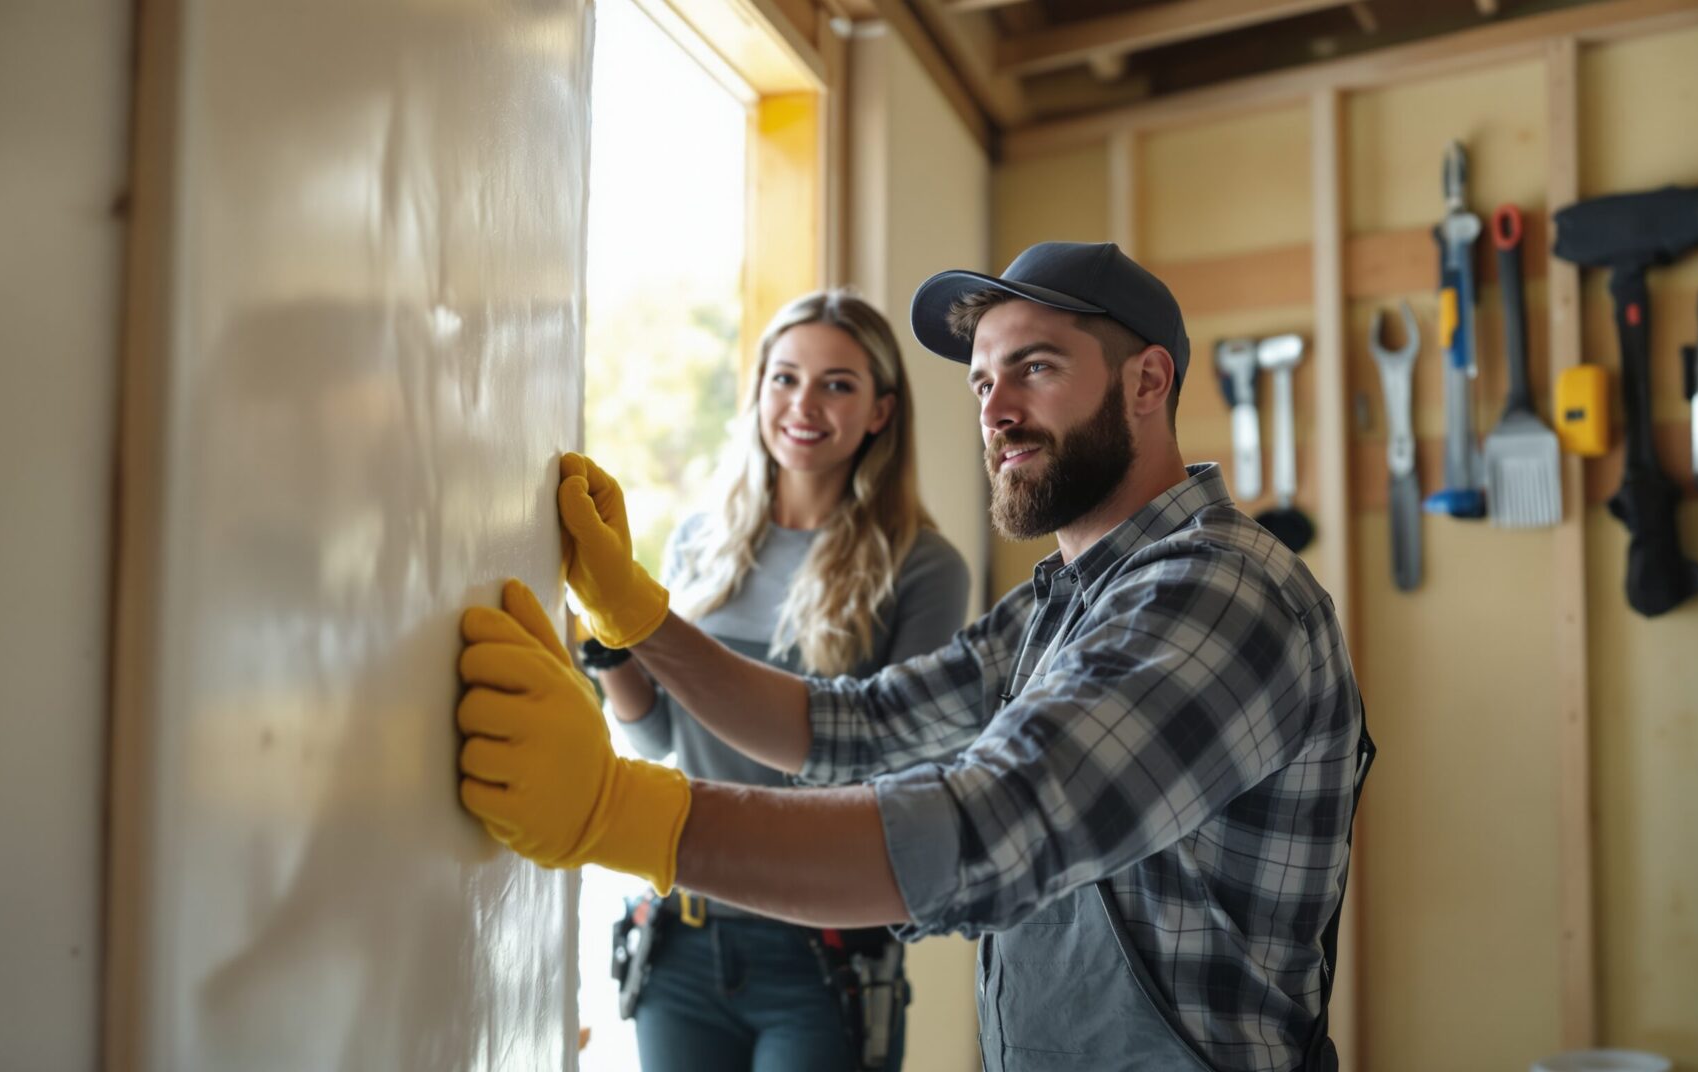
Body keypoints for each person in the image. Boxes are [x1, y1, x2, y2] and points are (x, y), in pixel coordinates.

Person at [455, 242, 1373, 1072]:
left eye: (1035, 369)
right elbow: (855, 726)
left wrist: (615, 813)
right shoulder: (1065, 601)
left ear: (1147, 381)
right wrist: (643, 622)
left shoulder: (1222, 594)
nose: (998, 411)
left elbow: (990, 827)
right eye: (981, 384)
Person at [588, 290, 970, 1072]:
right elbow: (658, 735)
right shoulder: (700, 542)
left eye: (837, 384)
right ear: (759, 388)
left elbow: (905, 768)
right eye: (785, 378)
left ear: (880, 412)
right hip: (682, 934)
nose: (804, 404)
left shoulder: (924, 566)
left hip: (821, 953)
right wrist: (610, 655)